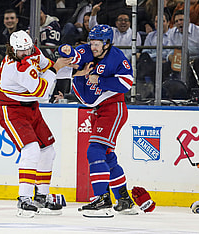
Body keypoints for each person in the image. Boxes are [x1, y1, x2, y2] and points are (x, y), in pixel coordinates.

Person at [58, 24, 148, 217]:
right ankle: (124, 200)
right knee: (107, 157)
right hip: (101, 110)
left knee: (95, 150)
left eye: (97, 43)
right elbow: (74, 56)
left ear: (107, 43)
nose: (93, 47)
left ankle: (102, 199)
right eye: (91, 42)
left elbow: (126, 82)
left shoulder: (116, 57)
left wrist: (100, 80)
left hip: (113, 109)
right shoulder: (88, 51)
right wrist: (63, 50)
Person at [0, 30, 72, 217]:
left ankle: (41, 197)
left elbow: (47, 66)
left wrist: (70, 71)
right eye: (21, 51)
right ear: (12, 49)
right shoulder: (14, 68)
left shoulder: (33, 51)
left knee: (48, 149)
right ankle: (24, 199)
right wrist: (56, 70)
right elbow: (42, 93)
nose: (26, 53)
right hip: (11, 109)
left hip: (31, 107)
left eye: (28, 48)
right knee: (31, 149)